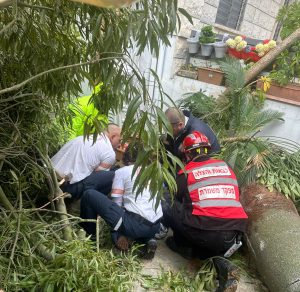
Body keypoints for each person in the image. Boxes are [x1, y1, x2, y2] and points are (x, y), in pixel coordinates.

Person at [162, 131, 248, 292]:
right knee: (205, 227)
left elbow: (174, 197)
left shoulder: (186, 172)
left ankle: (183, 245)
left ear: (186, 154)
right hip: (234, 234)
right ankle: (222, 265)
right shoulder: (226, 166)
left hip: (206, 232)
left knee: (166, 199)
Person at [80, 144, 163, 259]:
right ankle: (147, 240)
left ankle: (91, 237)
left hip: (135, 225)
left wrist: (117, 232)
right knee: (135, 212)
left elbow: (117, 204)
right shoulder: (154, 173)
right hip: (155, 226)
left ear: (127, 156)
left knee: (89, 195)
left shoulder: (123, 172)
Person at [51, 123, 121, 199]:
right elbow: (97, 177)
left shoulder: (82, 137)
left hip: (49, 175)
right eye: (119, 140)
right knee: (113, 175)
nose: (120, 144)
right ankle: (88, 202)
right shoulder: (109, 153)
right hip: (64, 187)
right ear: (113, 137)